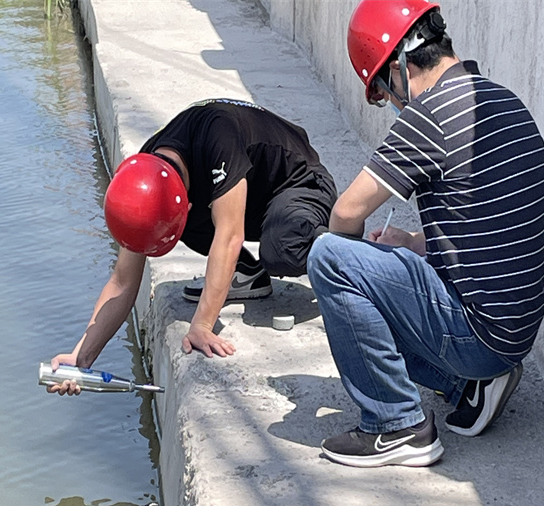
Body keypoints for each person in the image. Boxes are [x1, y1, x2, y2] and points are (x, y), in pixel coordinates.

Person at [307, 0, 544, 468]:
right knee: (378, 272)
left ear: (398, 64)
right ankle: (472, 385)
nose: (391, 102)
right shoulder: (504, 100)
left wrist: (356, 282)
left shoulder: (432, 112)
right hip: (514, 331)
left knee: (330, 260)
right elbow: (491, 234)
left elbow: (344, 214)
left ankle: (396, 425)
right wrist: (411, 246)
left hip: (479, 335)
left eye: (382, 90)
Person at [48, 98, 337, 394]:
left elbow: (230, 235)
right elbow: (122, 281)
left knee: (280, 250)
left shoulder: (217, 136)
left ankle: (342, 244)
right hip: (256, 194)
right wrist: (80, 358)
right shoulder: (146, 171)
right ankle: (247, 274)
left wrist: (202, 324)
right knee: (207, 216)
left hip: (300, 185)